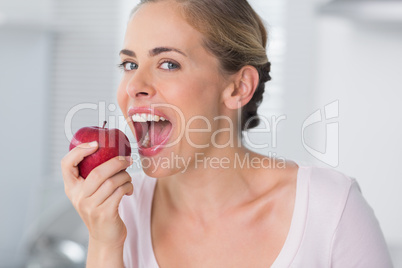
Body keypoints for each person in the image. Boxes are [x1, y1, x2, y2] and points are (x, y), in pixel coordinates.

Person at [61, 0, 393, 267]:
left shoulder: (330, 209)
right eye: (130, 65)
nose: (133, 86)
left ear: (238, 87)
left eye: (168, 64)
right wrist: (104, 242)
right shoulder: (122, 214)